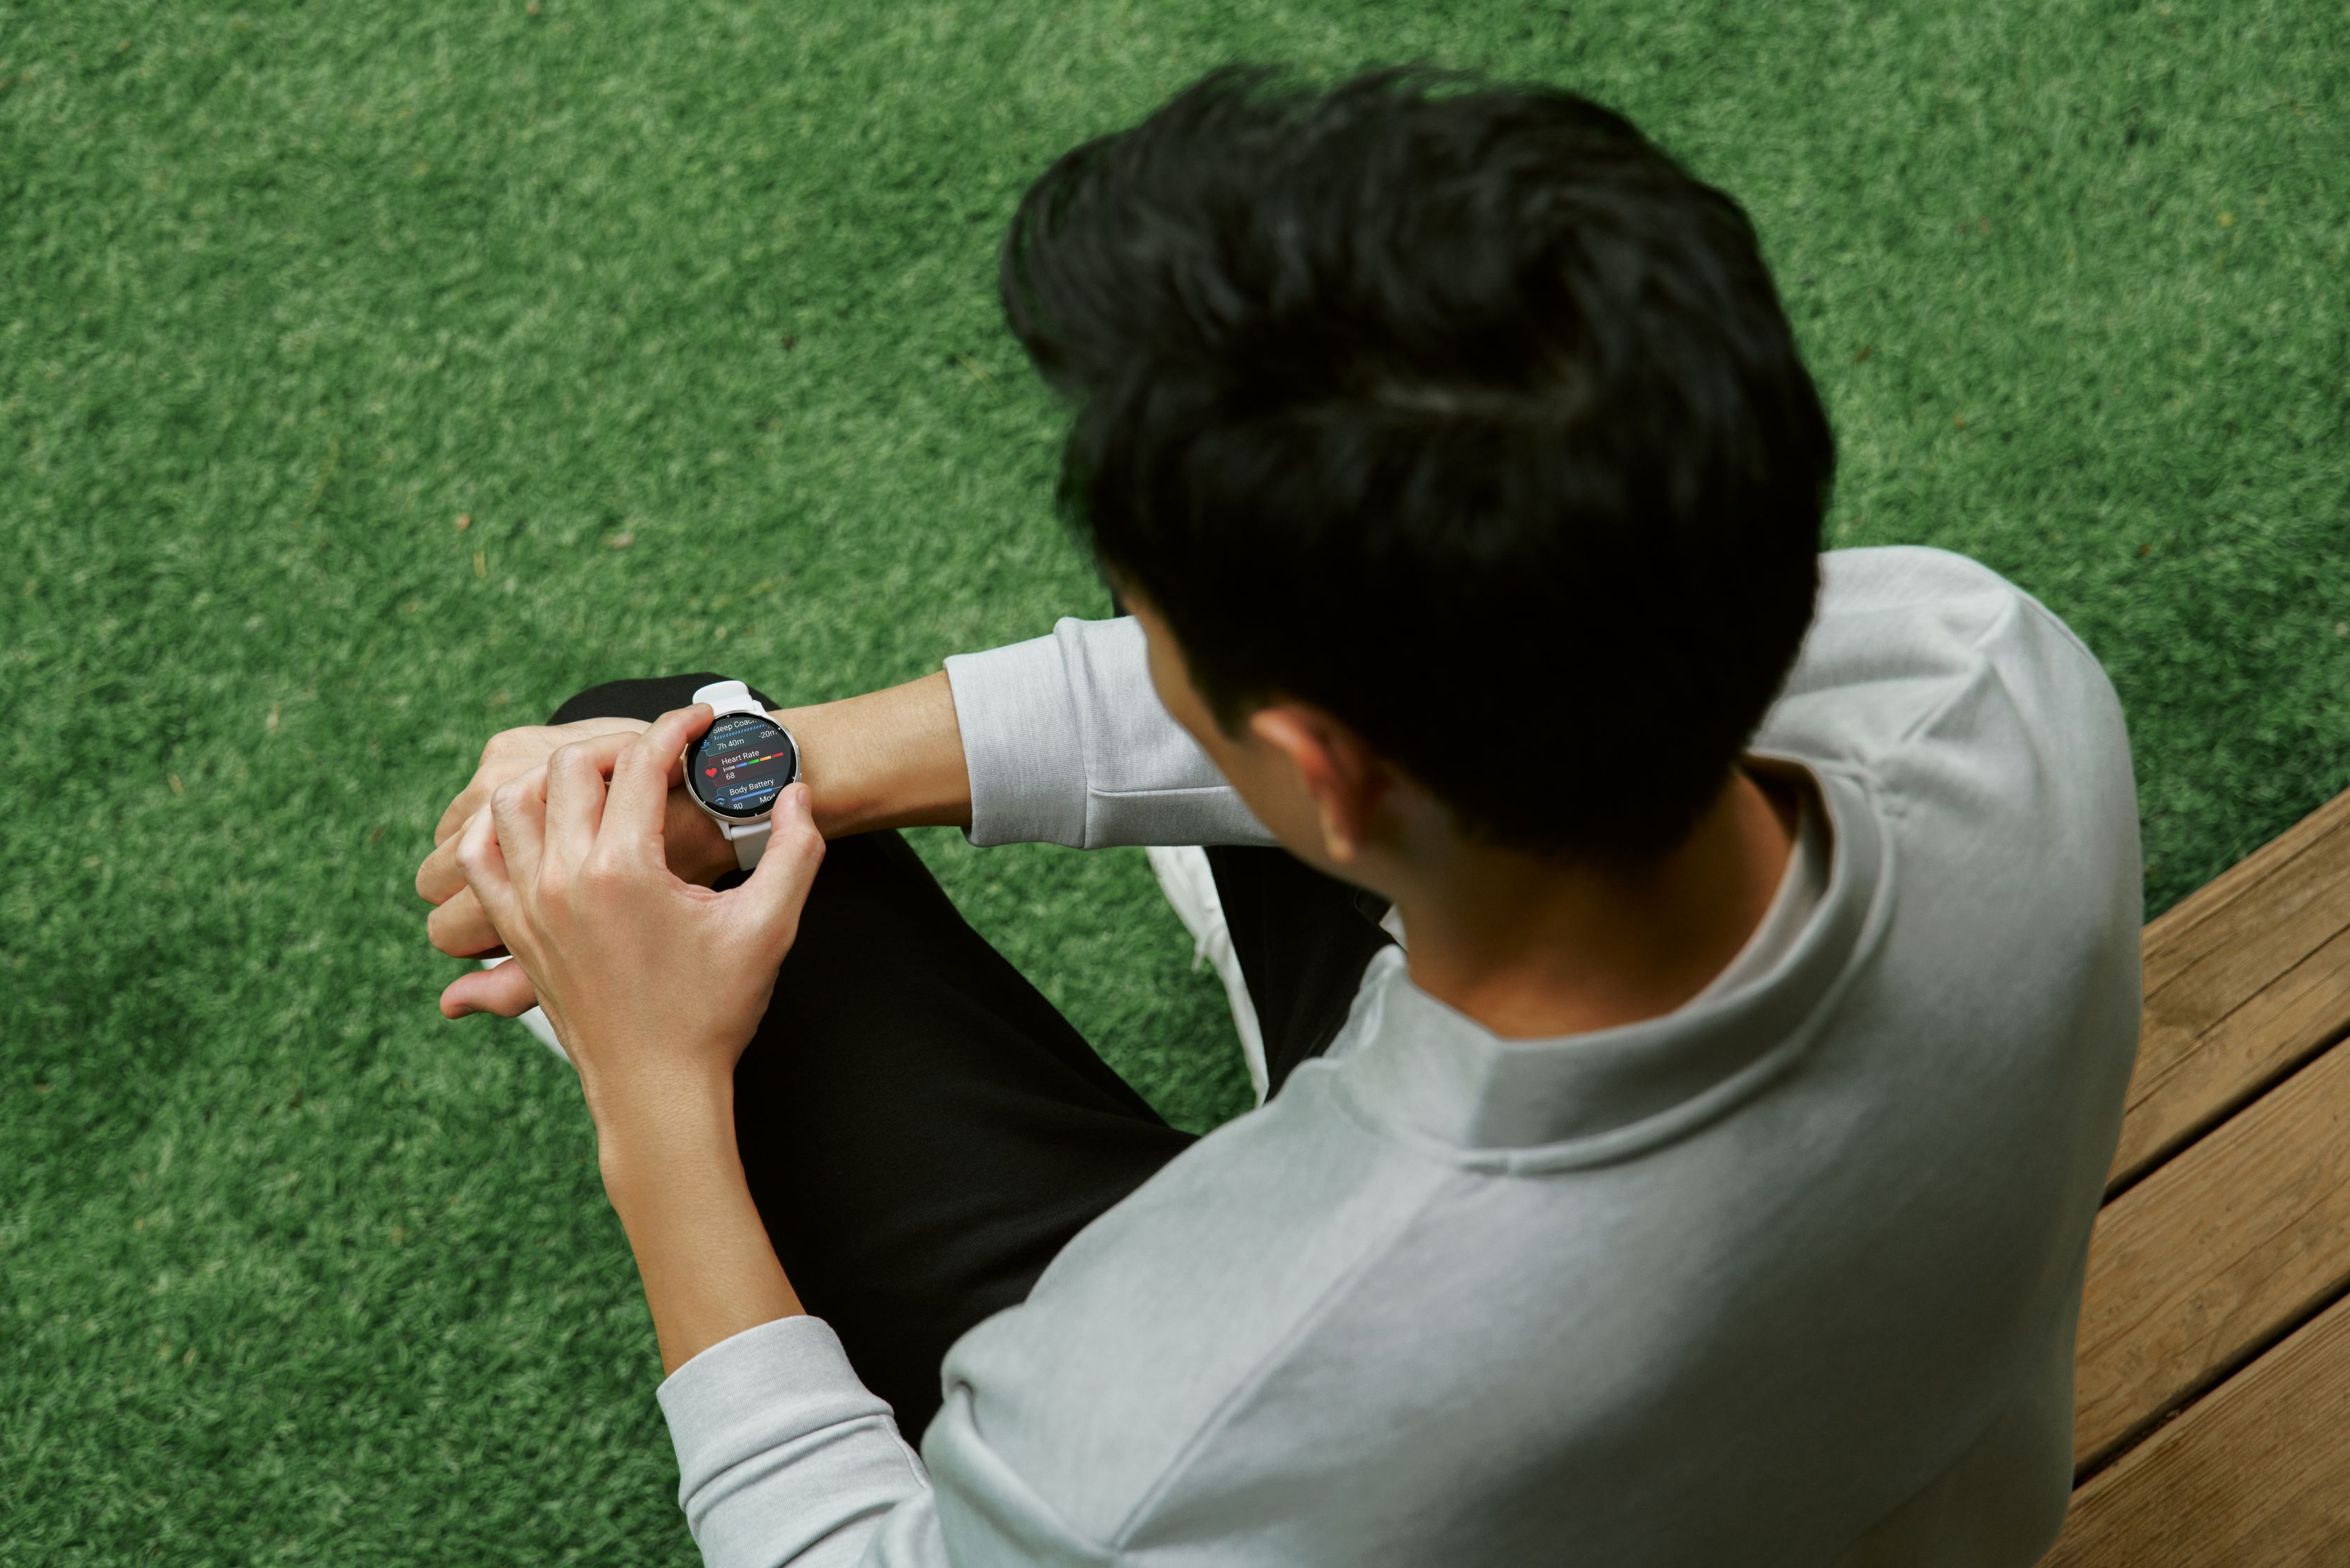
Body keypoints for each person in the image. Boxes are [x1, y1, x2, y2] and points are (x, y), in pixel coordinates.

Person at [412, 62, 2144, 1567]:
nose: (1137, 659)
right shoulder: (1979, 669)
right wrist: (792, 763)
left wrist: (656, 1091)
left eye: (1157, 646)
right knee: (707, 747)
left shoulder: (1162, 1433)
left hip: (1399, 1354)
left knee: (615, 734)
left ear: (1328, 775)